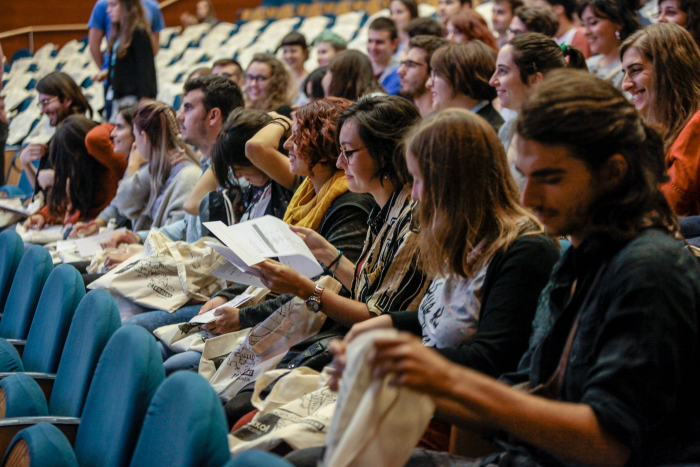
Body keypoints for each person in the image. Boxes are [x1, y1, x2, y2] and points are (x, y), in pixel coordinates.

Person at [325, 68, 700, 467]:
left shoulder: (650, 268)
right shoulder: (582, 256)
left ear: (613, 173)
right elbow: (524, 398)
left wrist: (439, 376)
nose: (529, 196)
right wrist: (398, 382)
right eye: (524, 175)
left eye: (550, 178)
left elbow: (609, 444)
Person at [283, 109, 560, 467]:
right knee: (273, 426)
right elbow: (433, 317)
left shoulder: (525, 249)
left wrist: (387, 361)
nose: (413, 194)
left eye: (419, 180)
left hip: (455, 413)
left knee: (293, 453)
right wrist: (384, 326)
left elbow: (493, 360)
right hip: (419, 392)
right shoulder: (466, 234)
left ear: (454, 181)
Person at [156, 98, 375, 372]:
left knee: (173, 363)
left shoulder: (349, 204)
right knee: (159, 347)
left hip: (301, 330)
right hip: (267, 308)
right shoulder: (306, 191)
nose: (287, 144)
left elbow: (325, 294)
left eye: (299, 136)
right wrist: (226, 296)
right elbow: (270, 265)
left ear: (323, 145)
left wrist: (242, 317)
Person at [101, 75, 244, 249]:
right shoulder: (206, 165)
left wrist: (144, 253)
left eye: (188, 108)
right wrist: (138, 239)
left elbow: (210, 250)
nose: (179, 117)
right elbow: (186, 227)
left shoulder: (234, 174)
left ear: (213, 116)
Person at [621, 23, 700, 216]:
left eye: (635, 70)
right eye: (624, 73)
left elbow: (666, 207)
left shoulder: (697, 124)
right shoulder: (651, 129)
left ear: (670, 70)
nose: (625, 85)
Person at [23, 115, 127, 230]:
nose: (68, 171)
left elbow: (95, 138)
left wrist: (56, 180)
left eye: (69, 164)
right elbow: (69, 204)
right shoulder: (81, 176)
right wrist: (43, 215)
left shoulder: (114, 165)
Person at [489, 33, 586, 156]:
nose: (492, 81)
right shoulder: (507, 129)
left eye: (503, 71)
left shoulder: (560, 138)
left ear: (534, 79)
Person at [209, 108, 296, 223]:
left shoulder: (291, 176)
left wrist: (283, 121)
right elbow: (191, 203)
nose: (237, 176)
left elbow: (255, 147)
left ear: (256, 159)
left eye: (240, 169)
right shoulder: (254, 189)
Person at [71, 104, 144, 238]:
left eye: (119, 127)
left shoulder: (142, 167)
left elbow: (126, 204)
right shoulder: (134, 163)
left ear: (138, 132)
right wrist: (96, 224)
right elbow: (117, 205)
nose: (112, 133)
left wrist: (132, 167)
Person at [18, 72, 93, 198]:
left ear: (67, 100)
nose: (43, 110)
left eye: (46, 102)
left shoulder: (78, 133)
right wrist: (25, 163)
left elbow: (87, 189)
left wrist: (54, 179)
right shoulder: (62, 134)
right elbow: (43, 190)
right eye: (41, 104)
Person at [94, 0, 158, 122]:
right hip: (116, 98)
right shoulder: (119, 33)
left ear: (127, 6)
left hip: (131, 102)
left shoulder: (139, 33)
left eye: (113, 5)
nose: (108, 10)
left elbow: (145, 71)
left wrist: (144, 105)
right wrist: (108, 73)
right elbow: (128, 66)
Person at [428, 41, 505, 132]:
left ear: (461, 79)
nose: (429, 83)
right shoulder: (465, 125)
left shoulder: (489, 131)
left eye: (437, 75)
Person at [578, 0, 640, 89]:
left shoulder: (635, 65)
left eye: (593, 23)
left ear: (618, 22)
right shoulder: (588, 64)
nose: (586, 32)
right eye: (583, 25)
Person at [87, 0, 164, 70]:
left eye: (113, 5)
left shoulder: (152, 6)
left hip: (139, 70)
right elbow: (94, 46)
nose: (109, 10)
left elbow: (154, 48)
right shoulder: (103, 4)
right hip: (112, 69)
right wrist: (106, 70)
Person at [398, 35, 450, 116]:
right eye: (403, 64)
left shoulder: (448, 121)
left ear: (433, 71)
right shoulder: (404, 115)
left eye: (411, 65)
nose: (400, 71)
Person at [367, 18, 402, 95]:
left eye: (379, 42)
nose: (373, 47)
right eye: (370, 41)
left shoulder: (400, 73)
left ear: (394, 44)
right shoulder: (363, 68)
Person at [278, 32, 311, 106]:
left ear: (305, 52)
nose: (288, 56)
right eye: (285, 51)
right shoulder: (280, 78)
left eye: (293, 51)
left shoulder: (310, 80)